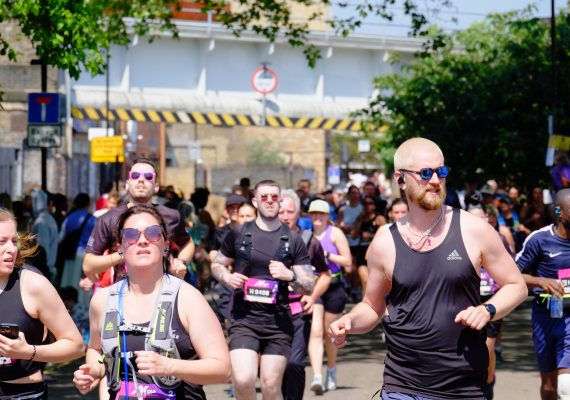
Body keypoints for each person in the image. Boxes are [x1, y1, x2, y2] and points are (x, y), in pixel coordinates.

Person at [329, 137, 527, 399]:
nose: (435, 180)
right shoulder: (384, 240)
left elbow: (517, 286)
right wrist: (349, 321)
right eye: (425, 173)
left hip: (463, 385)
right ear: (400, 179)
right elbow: (373, 306)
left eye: (441, 171)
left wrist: (487, 309)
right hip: (402, 384)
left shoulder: (474, 229)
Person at [73, 205, 230, 399]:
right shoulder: (103, 300)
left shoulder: (187, 298)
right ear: (120, 247)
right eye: (131, 235)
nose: (142, 241)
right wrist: (94, 372)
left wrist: (169, 366)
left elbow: (222, 368)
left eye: (153, 233)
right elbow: (97, 350)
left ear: (166, 245)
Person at [210, 179, 314, 400]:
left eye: (274, 197)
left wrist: (290, 275)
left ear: (280, 201)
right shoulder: (238, 234)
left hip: (278, 322)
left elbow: (309, 284)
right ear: (255, 201)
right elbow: (217, 264)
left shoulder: (293, 240)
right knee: (243, 379)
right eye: (264, 197)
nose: (269, 201)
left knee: (269, 385)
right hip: (244, 319)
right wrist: (227, 277)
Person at [0, 209, 84, 398]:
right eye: (1, 242)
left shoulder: (33, 285)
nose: (11, 249)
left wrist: (28, 351)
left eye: (14, 241)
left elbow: (76, 346)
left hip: (21, 393)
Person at [83, 158, 193, 285]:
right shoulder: (108, 219)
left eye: (148, 176)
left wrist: (181, 262)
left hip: (163, 293)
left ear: (156, 186)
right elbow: (88, 264)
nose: (141, 180)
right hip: (125, 296)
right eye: (135, 176)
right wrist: (123, 255)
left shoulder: (172, 216)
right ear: (127, 184)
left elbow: (187, 243)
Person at [516, 188, 570, 400]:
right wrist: (540, 281)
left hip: (569, 318)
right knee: (549, 387)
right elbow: (510, 276)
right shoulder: (538, 240)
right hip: (545, 316)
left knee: (566, 387)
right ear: (559, 212)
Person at [279, 190, 331, 400]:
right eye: (281, 211)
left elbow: (325, 275)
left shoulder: (309, 240)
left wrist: (312, 296)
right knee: (276, 365)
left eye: (289, 211)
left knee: (295, 363)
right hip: (270, 312)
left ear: (298, 213)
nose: (285, 216)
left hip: (299, 310)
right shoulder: (264, 239)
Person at [308, 199, 352, 394]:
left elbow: (348, 261)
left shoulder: (335, 233)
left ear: (328, 216)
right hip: (315, 287)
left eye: (321, 214)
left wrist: (327, 255)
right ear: (309, 216)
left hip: (334, 286)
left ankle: (331, 369)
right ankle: (317, 376)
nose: (317, 217)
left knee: (329, 333)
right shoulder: (306, 236)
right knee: (315, 331)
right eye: (314, 214)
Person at [352, 195, 387, 294]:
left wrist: (371, 235)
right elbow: (353, 235)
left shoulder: (379, 218)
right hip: (361, 252)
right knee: (365, 281)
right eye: (365, 203)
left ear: (374, 205)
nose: (367, 206)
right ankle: (365, 305)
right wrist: (359, 221)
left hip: (376, 252)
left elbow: (386, 234)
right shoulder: (360, 218)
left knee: (376, 282)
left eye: (370, 203)